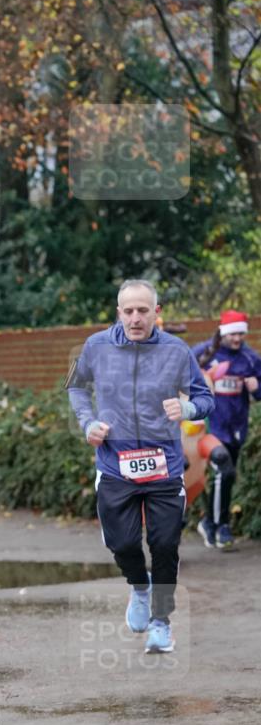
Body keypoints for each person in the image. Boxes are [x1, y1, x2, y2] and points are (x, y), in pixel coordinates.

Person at [68, 279, 214, 653]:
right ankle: (139, 587)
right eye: (128, 311)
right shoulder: (96, 346)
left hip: (163, 463)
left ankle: (162, 622)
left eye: (143, 310)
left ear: (156, 312)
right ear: (119, 312)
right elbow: (77, 388)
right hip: (115, 463)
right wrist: (88, 423)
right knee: (121, 542)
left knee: (165, 544)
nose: (135, 318)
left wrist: (187, 409)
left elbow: (203, 397)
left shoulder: (176, 351)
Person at [192, 309, 261, 550]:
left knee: (227, 477)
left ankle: (209, 523)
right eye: (233, 334)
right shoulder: (203, 353)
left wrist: (255, 387)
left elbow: (260, 392)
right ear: (223, 333)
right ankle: (221, 526)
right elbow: (180, 379)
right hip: (208, 428)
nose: (237, 339)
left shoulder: (250, 359)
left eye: (241, 334)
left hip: (236, 428)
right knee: (224, 470)